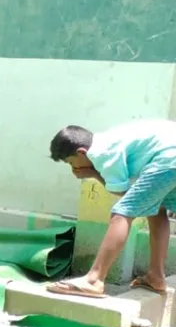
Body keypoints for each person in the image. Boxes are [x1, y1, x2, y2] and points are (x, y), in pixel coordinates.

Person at [47, 121, 176, 297]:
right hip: (169, 154)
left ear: (82, 152)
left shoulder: (100, 153)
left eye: (71, 162)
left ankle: (94, 279)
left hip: (169, 159)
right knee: (156, 209)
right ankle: (156, 275)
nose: (74, 169)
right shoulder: (108, 140)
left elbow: (123, 195)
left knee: (122, 211)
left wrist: (93, 173)